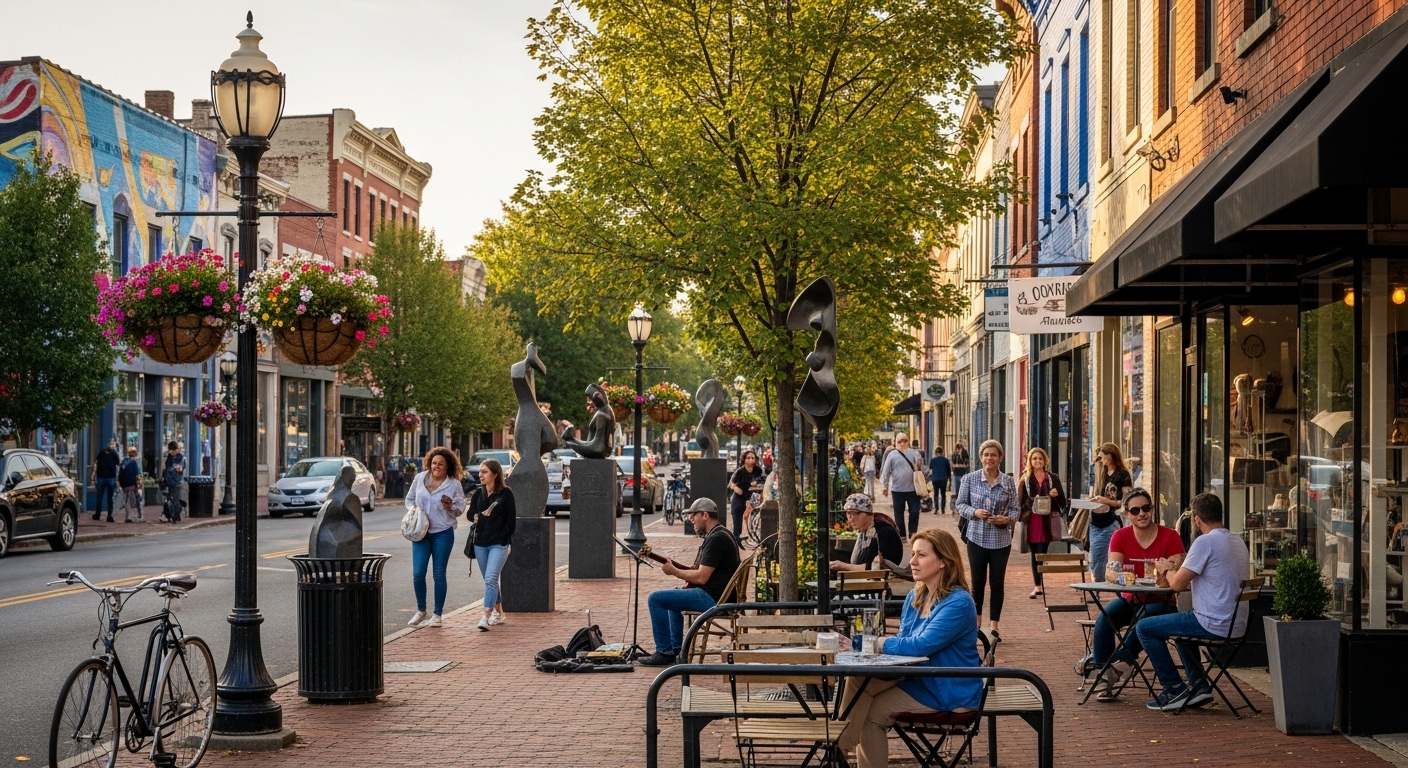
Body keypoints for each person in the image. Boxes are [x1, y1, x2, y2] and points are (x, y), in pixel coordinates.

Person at [837, 529, 982, 768]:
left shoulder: (958, 602)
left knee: (872, 715)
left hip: (948, 690)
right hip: (919, 679)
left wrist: (872, 642)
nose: (912, 561)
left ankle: (838, 750)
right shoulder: (916, 595)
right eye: (913, 554)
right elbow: (904, 648)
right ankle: (839, 749)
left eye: (921, 555)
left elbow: (919, 646)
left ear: (944, 562)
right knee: (856, 678)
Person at [1136, 492, 1250, 710]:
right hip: (1237, 624)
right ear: (1220, 515)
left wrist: (1166, 568)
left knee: (1144, 627)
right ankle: (1199, 687)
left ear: (1197, 519)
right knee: (1181, 635)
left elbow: (1177, 585)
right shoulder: (1237, 541)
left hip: (1214, 623)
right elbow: (1209, 580)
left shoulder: (1204, 542)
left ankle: (1173, 689)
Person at [1087, 488, 1185, 701]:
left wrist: (1170, 565)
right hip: (1131, 599)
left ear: (1152, 509)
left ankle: (1117, 668)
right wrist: (1120, 576)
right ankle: (1106, 679)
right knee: (1105, 618)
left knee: (1146, 615)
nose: (1142, 513)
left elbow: (1179, 561)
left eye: (1146, 508)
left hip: (1162, 602)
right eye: (1135, 510)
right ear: (1126, 514)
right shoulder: (1120, 536)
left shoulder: (1170, 535)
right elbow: (1111, 570)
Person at [638, 498, 741, 666]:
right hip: (718, 593)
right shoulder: (720, 534)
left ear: (705, 515)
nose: (691, 519)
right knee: (672, 599)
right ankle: (677, 649)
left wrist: (675, 572)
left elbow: (701, 577)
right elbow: (700, 570)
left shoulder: (716, 539)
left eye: (693, 516)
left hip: (713, 597)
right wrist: (686, 571)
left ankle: (664, 651)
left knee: (655, 599)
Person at [955, 440, 1020, 640]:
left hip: (1001, 539)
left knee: (997, 583)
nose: (989, 458)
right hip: (977, 537)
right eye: (986, 455)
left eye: (993, 455)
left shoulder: (1008, 481)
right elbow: (960, 505)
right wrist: (974, 512)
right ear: (981, 457)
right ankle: (976, 626)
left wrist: (1007, 518)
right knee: (977, 582)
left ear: (1000, 458)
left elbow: (1016, 509)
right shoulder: (969, 479)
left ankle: (994, 627)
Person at [407, 447, 467, 629]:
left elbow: (460, 507)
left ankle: (437, 614)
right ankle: (421, 610)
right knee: (418, 573)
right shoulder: (420, 479)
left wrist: (450, 506)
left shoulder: (454, 484)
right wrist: (415, 512)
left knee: (439, 574)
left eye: (441, 464)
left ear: (448, 466)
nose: (437, 466)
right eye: (434, 463)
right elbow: (409, 499)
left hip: (442, 532)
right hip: (421, 533)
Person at [467, 457, 515, 631]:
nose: (480, 475)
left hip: (499, 544)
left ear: (495, 474)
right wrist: (477, 515)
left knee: (490, 579)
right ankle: (499, 612)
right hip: (480, 543)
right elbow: (470, 514)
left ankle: (485, 615)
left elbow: (511, 523)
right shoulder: (479, 494)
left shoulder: (506, 493)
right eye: (480, 471)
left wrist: (504, 539)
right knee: (491, 581)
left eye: (484, 472)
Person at [1017, 447, 1068, 599]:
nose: (1037, 461)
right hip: (1032, 520)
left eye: (1040, 458)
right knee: (1035, 553)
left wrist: (1055, 495)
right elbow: (1019, 502)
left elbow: (1063, 502)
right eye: (1034, 458)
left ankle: (1041, 582)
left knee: (1043, 552)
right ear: (1030, 461)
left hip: (1047, 521)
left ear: (1045, 460)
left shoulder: (1052, 478)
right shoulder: (1025, 479)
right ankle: (1037, 586)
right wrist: (1029, 503)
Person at [829, 493, 910, 578]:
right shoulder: (864, 530)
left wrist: (843, 566)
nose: (850, 518)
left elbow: (880, 568)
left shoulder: (885, 533)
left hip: (877, 584)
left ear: (866, 514)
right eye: (848, 514)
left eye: (854, 513)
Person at [1088, 443, 1134, 582]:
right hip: (1095, 520)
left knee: (1098, 555)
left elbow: (1126, 501)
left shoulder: (1122, 474)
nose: (1100, 460)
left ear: (1110, 456)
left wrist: (1107, 501)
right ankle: (1102, 584)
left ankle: (1100, 585)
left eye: (1102, 457)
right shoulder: (1101, 473)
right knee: (1096, 556)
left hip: (1111, 521)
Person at [879, 433, 923, 538]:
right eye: (899, 441)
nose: (902, 443)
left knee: (914, 512)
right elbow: (886, 472)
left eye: (904, 440)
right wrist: (884, 486)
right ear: (896, 443)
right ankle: (902, 534)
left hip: (913, 489)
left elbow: (921, 469)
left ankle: (912, 533)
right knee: (898, 513)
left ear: (908, 441)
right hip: (897, 489)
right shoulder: (892, 455)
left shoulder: (915, 454)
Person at [728, 449, 765, 537]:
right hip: (739, 496)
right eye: (748, 458)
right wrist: (736, 489)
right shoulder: (740, 471)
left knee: (755, 514)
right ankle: (737, 537)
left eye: (752, 458)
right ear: (744, 459)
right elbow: (731, 483)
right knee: (737, 513)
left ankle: (753, 533)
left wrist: (757, 482)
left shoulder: (758, 470)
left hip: (752, 496)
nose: (750, 460)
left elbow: (762, 479)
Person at [90, 440, 120, 522]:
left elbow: (96, 462)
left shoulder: (101, 453)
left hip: (101, 476)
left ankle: (97, 514)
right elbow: (118, 463)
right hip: (110, 477)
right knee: (110, 497)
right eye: (113, 444)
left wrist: (94, 474)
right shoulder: (114, 454)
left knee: (99, 496)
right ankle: (109, 516)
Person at [161, 442, 185, 522]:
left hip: (176, 482)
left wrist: (177, 469)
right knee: (169, 499)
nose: (171, 452)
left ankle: (176, 514)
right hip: (168, 481)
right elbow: (166, 468)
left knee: (175, 499)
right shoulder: (168, 458)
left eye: (173, 450)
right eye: (170, 450)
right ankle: (170, 514)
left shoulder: (181, 458)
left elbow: (181, 469)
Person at [118, 446, 143, 523]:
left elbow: (120, 474)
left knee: (127, 500)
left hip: (125, 485)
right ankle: (140, 515)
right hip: (133, 485)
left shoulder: (123, 462)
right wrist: (140, 485)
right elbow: (137, 474)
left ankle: (127, 516)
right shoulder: (133, 463)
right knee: (139, 499)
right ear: (134, 456)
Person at [929, 447, 953, 514]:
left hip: (935, 478)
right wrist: (949, 479)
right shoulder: (945, 460)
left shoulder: (933, 460)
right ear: (942, 452)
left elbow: (930, 469)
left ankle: (936, 508)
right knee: (943, 494)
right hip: (943, 479)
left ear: (936, 453)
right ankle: (943, 509)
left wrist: (931, 477)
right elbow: (948, 470)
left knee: (935, 494)